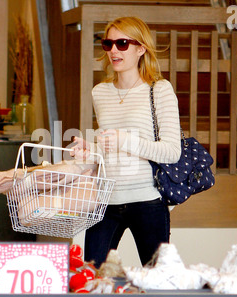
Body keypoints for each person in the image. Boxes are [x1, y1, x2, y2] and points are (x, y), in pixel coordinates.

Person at [70, 17, 182, 268]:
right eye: (108, 44)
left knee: (156, 281)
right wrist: (91, 150)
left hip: (148, 201)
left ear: (141, 48)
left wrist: (125, 140)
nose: (113, 51)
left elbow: (172, 151)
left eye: (122, 43)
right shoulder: (100, 92)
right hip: (106, 200)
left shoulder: (159, 89)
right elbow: (110, 149)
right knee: (92, 277)